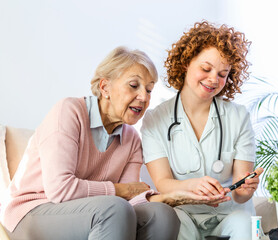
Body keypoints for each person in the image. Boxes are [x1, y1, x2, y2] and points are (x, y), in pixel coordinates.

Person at [0, 46, 226, 240]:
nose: (144, 97)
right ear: (105, 87)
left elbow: (132, 199)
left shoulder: (132, 140)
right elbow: (60, 190)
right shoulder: (69, 112)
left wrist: (170, 198)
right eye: (134, 85)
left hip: (91, 212)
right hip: (33, 213)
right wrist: (119, 190)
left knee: (162, 214)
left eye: (149, 89)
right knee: (114, 209)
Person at [141, 21, 263, 240]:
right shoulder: (155, 120)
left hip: (231, 213)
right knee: (173, 227)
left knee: (245, 227)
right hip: (184, 212)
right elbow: (163, 183)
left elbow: (241, 193)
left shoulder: (238, 117)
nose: (213, 80)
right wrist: (193, 185)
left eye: (223, 74)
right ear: (186, 62)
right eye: (206, 69)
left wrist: (246, 188)